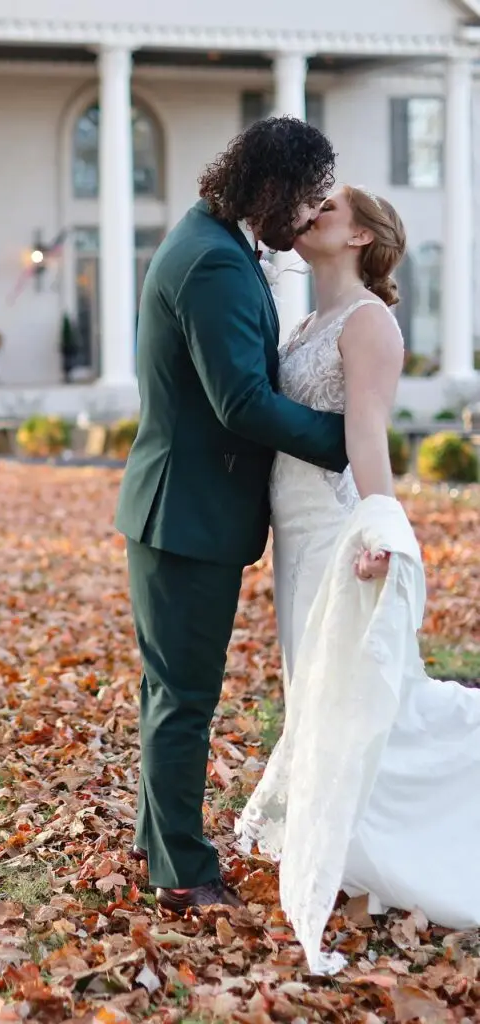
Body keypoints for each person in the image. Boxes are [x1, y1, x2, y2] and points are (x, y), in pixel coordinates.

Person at [236, 184, 480, 975]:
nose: (309, 215)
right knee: (313, 687)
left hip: (341, 534)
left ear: (361, 237)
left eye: (328, 210)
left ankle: (401, 843)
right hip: (295, 535)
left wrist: (378, 528)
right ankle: (349, 840)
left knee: (360, 691)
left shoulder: (370, 323)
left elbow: (366, 434)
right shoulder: (307, 322)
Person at [114, 117, 349, 913]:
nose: (308, 215)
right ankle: (181, 873)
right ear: (274, 188)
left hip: (182, 508)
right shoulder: (212, 261)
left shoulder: (213, 241)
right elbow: (240, 401)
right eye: (307, 197)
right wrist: (342, 440)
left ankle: (158, 841)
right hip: (185, 512)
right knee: (184, 697)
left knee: (168, 691)